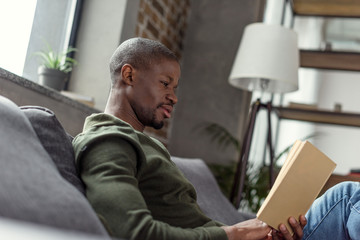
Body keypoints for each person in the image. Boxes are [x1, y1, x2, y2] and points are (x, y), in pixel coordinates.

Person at [73, 37, 360, 240]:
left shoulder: (141, 144)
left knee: (345, 198)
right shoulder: (108, 141)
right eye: (165, 84)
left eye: (175, 86)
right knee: (347, 197)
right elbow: (132, 232)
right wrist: (237, 233)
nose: (174, 96)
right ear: (129, 75)